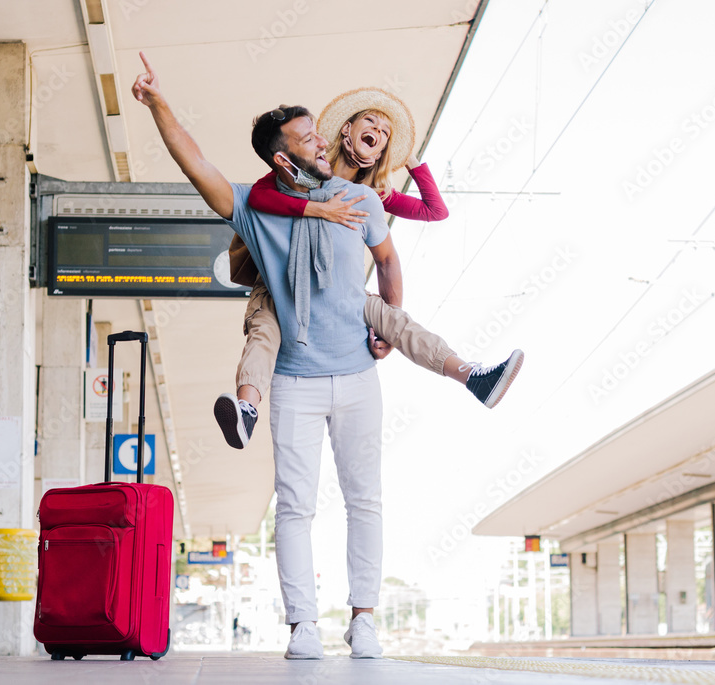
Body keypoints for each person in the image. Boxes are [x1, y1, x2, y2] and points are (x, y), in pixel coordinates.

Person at [132, 53, 391, 659]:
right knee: (295, 507)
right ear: (283, 157)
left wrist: (385, 328)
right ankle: (304, 626)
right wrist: (157, 104)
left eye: (318, 132)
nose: (321, 141)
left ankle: (364, 619)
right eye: (307, 138)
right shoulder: (250, 203)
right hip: (296, 381)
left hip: (357, 373)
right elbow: (195, 161)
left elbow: (388, 259)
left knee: (365, 500)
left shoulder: (354, 198)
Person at [214, 87, 524, 449]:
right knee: (265, 328)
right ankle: (247, 409)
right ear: (346, 130)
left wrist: (410, 159)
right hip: (280, 280)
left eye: (386, 135)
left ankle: (473, 377)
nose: (378, 131)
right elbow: (258, 195)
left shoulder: (373, 195)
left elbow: (432, 214)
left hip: (335, 291)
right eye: (370, 121)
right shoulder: (309, 164)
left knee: (394, 319)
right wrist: (319, 209)